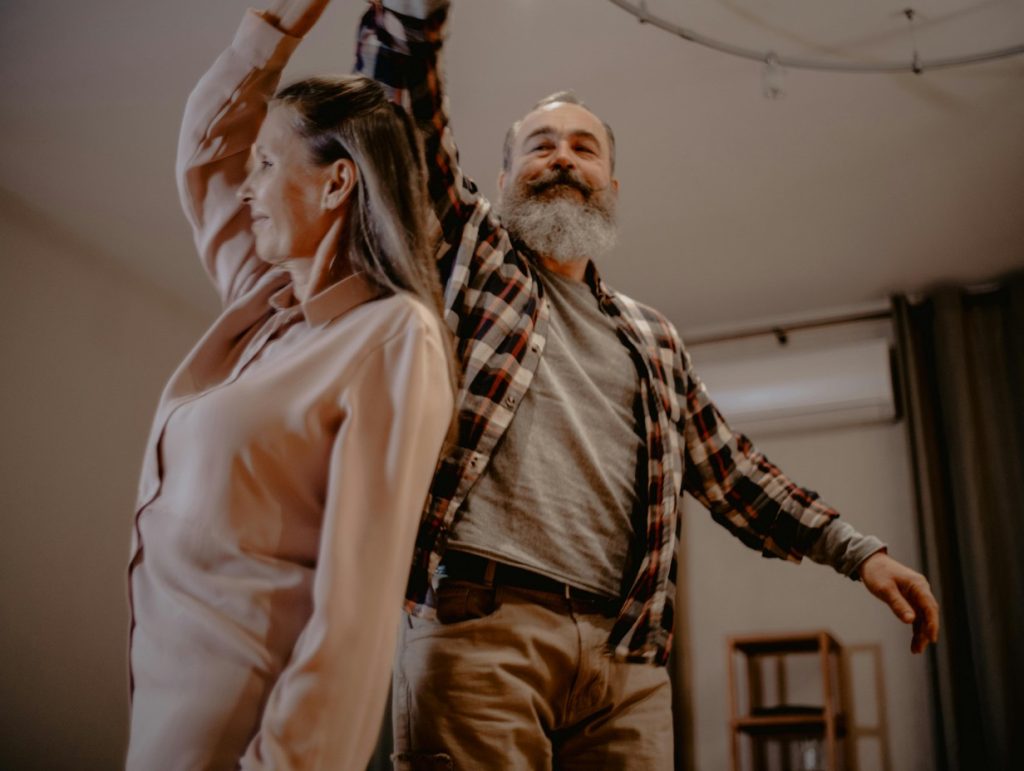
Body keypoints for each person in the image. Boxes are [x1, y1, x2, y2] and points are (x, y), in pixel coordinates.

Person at [352, 1, 943, 769]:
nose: (563, 156)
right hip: (479, 625)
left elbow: (734, 471)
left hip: (628, 656)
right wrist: (410, 17)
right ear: (501, 179)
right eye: (540, 146)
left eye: (583, 147)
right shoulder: (475, 256)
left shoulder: (653, 336)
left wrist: (859, 552)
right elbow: (405, 121)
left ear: (611, 182)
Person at [124, 1, 456, 768]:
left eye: (267, 165)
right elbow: (203, 157)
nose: (246, 189)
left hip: (247, 742)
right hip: (159, 724)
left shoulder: (393, 335)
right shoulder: (263, 305)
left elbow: (357, 617)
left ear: (338, 183)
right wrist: (271, 22)